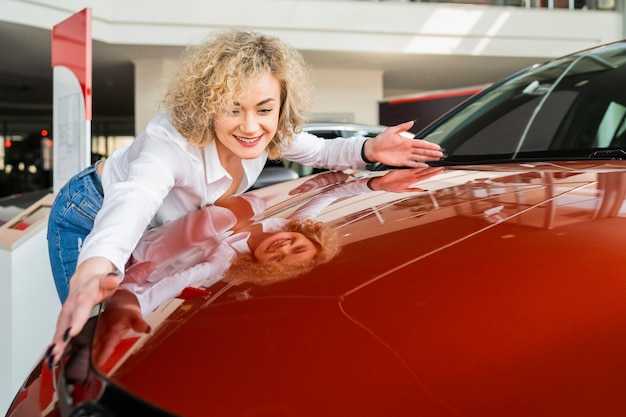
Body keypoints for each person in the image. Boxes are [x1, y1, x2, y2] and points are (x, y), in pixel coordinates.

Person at [45, 29, 443, 367]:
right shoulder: (169, 143)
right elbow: (135, 198)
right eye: (232, 108)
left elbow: (322, 153)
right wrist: (94, 270)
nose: (251, 127)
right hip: (91, 211)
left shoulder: (272, 132)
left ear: (279, 107)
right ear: (207, 106)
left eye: (264, 109)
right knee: (94, 337)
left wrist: (371, 149)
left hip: (159, 228)